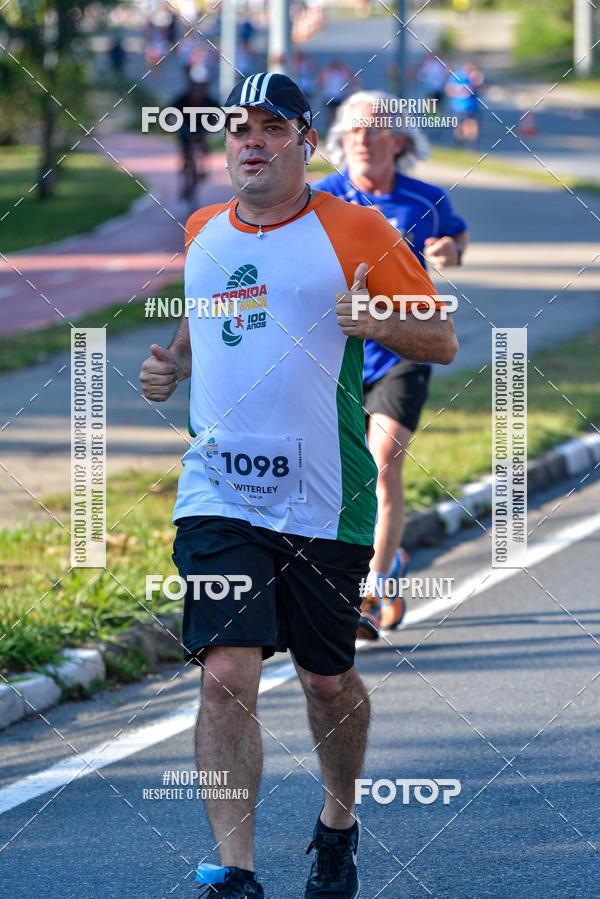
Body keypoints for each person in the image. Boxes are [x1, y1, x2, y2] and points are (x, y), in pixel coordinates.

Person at [140, 73, 457, 899]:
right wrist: (168, 363)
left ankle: (338, 823)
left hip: (326, 495)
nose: (249, 142)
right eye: (237, 129)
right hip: (219, 491)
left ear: (302, 142)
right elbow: (200, 316)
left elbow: (443, 337)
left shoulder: (358, 230)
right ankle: (234, 872)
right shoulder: (205, 231)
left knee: (326, 680)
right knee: (225, 670)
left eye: (270, 127)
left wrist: (377, 323)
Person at [313, 91, 468, 640]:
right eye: (351, 128)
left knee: (384, 462)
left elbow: (455, 237)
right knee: (338, 475)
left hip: (404, 347)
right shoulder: (321, 200)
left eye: (372, 128)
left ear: (397, 140)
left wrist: (449, 252)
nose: (360, 137)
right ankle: (381, 562)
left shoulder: (423, 199)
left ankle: (372, 591)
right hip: (339, 356)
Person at [171, 73, 220, 200]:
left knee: (204, 148)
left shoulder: (209, 101)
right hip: (185, 130)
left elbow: (219, 112)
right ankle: (186, 176)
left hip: (201, 130)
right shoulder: (182, 100)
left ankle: (203, 167)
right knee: (186, 154)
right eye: (196, 90)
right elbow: (170, 111)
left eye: (201, 91)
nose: (199, 94)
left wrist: (211, 125)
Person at [445, 62, 484, 146]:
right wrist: (458, 91)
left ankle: (471, 146)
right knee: (459, 127)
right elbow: (448, 89)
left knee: (471, 125)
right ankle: (458, 145)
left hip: (472, 106)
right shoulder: (457, 76)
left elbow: (482, 88)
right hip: (459, 107)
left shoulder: (475, 77)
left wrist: (477, 82)